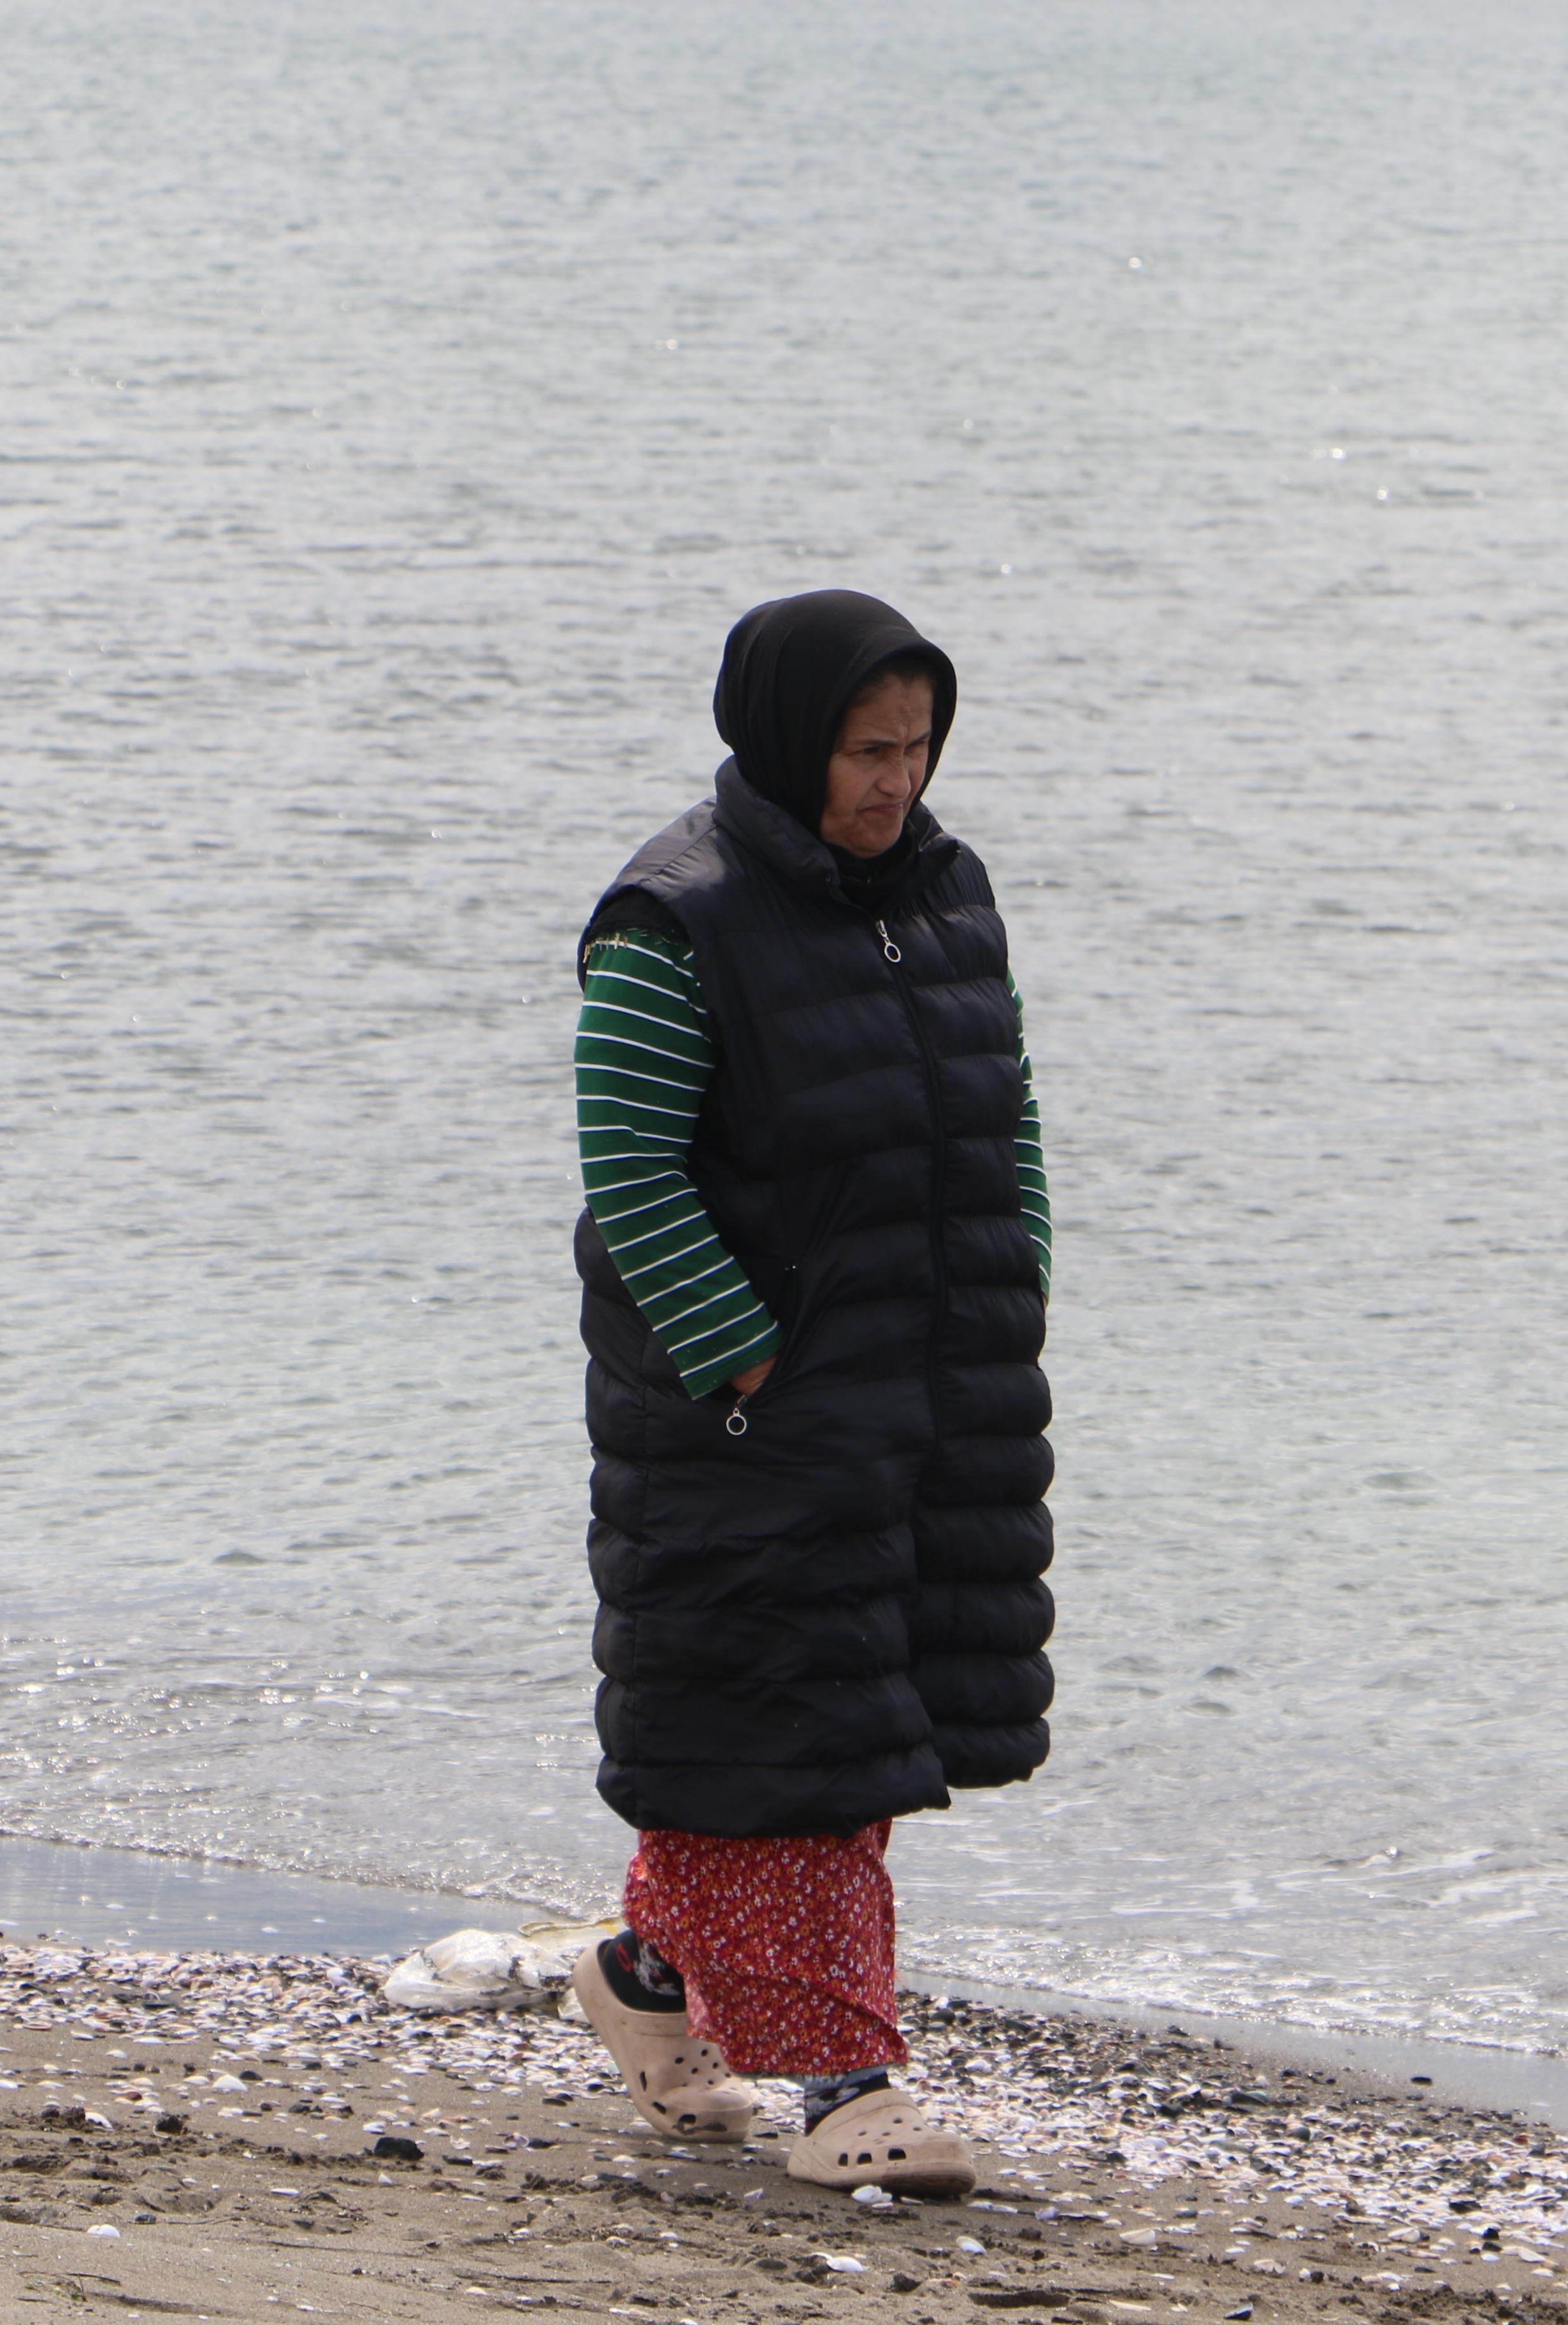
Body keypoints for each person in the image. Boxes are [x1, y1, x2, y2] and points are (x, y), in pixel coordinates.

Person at [561, 590, 1054, 2199]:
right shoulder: (676, 920)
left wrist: (1022, 1277)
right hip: (747, 1417)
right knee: (797, 1739)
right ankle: (847, 2086)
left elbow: (1005, 1112)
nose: (895, 781)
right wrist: (747, 1356)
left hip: (932, 1387)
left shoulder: (947, 893)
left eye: (918, 748)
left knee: (852, 1726)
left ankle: (646, 1977)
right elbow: (630, 1169)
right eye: (865, 751)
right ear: (786, 740)